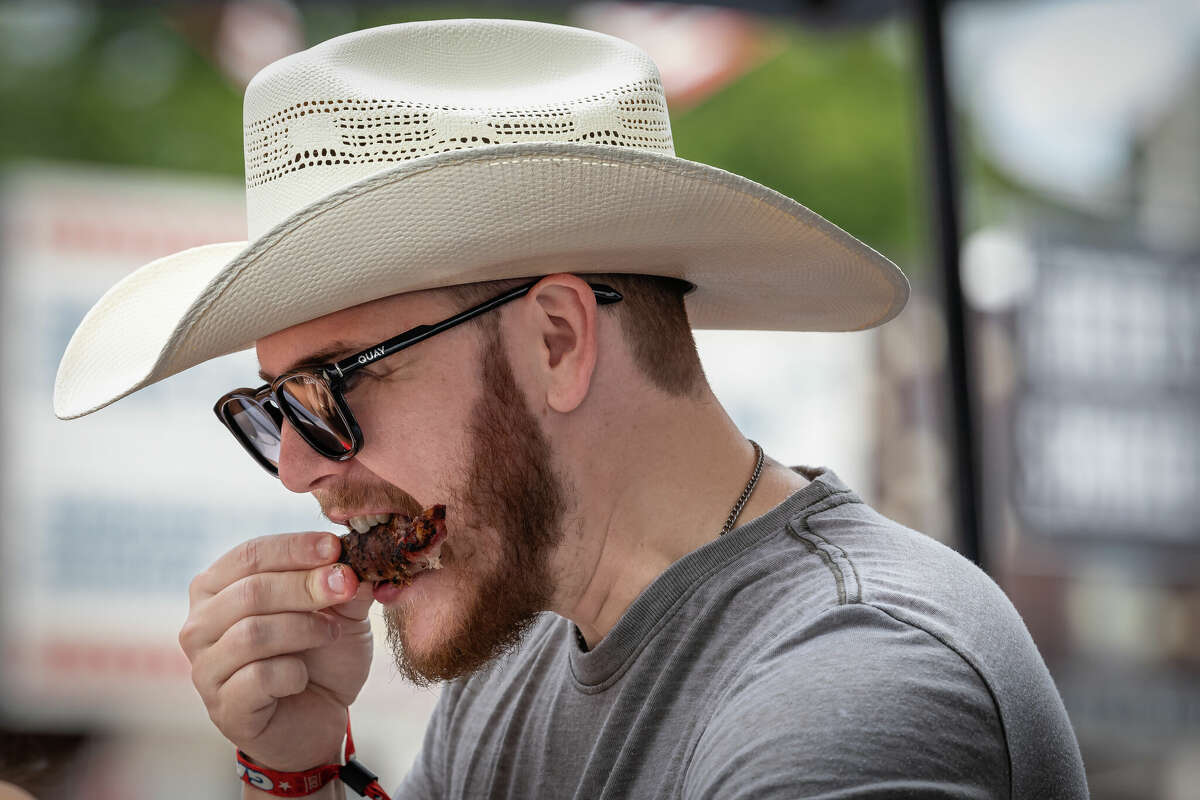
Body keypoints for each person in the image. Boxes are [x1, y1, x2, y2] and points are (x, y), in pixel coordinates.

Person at [54, 18, 1088, 800]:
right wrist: (301, 768)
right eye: (273, 407)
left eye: (333, 384)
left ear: (557, 337)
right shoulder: (524, 653)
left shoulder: (858, 680)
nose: (296, 466)